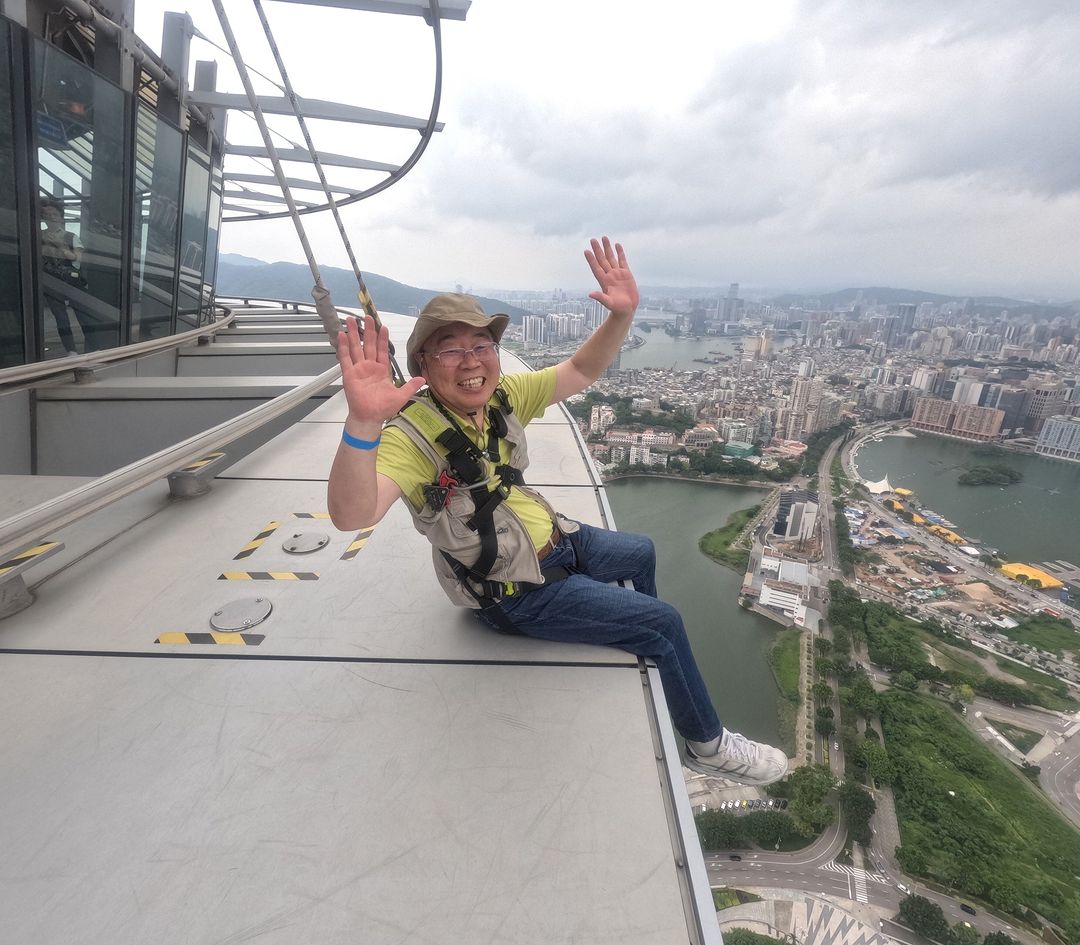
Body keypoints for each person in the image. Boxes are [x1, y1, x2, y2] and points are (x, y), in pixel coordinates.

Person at [327, 237, 789, 786]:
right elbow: (352, 515)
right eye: (450, 349)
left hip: (555, 540)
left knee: (640, 551)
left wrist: (622, 315)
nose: (472, 361)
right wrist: (362, 423)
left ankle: (653, 657)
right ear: (422, 363)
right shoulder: (411, 435)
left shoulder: (498, 397)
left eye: (482, 345)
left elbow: (579, 372)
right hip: (514, 592)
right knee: (662, 620)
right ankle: (706, 745)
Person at [39, 199, 82, 355]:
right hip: (50, 283)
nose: (51, 217)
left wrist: (60, 246)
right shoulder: (37, 236)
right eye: (47, 214)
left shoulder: (71, 237)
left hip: (70, 282)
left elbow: (76, 259)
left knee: (82, 314)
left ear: (61, 218)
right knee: (61, 317)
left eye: (55, 214)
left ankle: (93, 344)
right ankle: (71, 350)